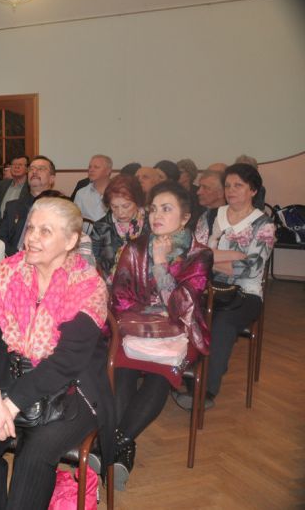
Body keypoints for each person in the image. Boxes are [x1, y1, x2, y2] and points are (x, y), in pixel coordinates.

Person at [0, 197, 113, 509]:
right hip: (11, 379)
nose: (31, 237)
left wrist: (10, 405)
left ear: (70, 240)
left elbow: (67, 362)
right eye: (30, 228)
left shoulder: (87, 284)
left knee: (34, 454)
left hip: (71, 390)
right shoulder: (8, 271)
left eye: (45, 231)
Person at [110, 181, 212, 488]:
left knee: (158, 374)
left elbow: (182, 308)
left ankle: (113, 445)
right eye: (154, 209)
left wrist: (159, 264)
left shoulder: (199, 254)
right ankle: (121, 450)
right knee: (123, 368)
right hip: (136, 329)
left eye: (166, 209)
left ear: (185, 217)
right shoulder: (135, 247)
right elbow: (120, 297)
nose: (157, 216)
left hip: (179, 334)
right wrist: (149, 315)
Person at [177, 164, 275, 409]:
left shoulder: (263, 225)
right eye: (228, 185)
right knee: (182, 312)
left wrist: (210, 257)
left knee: (222, 324)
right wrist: (233, 256)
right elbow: (193, 254)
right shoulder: (211, 217)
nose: (231, 190)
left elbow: (251, 269)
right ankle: (182, 377)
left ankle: (205, 391)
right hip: (206, 287)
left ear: (253, 190)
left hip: (246, 294)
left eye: (238, 185)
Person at [91, 174, 148, 282]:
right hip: (109, 284)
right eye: (114, 206)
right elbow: (92, 261)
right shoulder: (101, 227)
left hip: (144, 284)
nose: (120, 212)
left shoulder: (150, 223)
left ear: (137, 201)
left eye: (126, 206)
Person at [0, 156, 57, 256]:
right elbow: (1, 239)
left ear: (52, 179)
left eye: (41, 169)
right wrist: (18, 257)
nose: (34, 172)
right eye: (31, 169)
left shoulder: (61, 208)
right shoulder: (12, 207)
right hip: (14, 259)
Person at [74, 154, 112, 222]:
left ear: (108, 171)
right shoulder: (81, 193)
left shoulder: (118, 193)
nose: (91, 170)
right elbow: (75, 220)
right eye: (90, 167)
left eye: (96, 167)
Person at [193, 169, 227, 239]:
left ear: (221, 193)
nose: (198, 192)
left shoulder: (229, 218)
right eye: (200, 187)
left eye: (205, 188)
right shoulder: (197, 212)